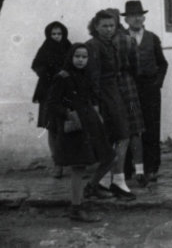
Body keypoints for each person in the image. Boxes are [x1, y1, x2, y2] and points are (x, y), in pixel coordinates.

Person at [46, 43, 115, 222]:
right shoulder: (62, 77)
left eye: (84, 57)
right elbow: (52, 104)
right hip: (75, 126)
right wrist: (68, 113)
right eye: (77, 56)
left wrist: (97, 113)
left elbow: (91, 97)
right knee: (78, 167)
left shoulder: (86, 74)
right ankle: (76, 208)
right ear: (71, 57)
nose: (81, 60)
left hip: (90, 122)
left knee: (108, 156)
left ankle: (91, 187)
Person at [86, 10, 136, 200]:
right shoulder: (93, 46)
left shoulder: (110, 44)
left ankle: (106, 181)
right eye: (104, 26)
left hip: (115, 92)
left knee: (121, 137)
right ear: (96, 27)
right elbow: (93, 77)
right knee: (121, 136)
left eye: (111, 25)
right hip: (104, 96)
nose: (108, 29)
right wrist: (96, 105)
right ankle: (111, 182)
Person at [122, 0, 168, 182]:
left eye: (139, 16)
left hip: (150, 89)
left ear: (144, 17)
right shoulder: (121, 37)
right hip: (129, 90)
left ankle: (151, 168)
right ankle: (128, 169)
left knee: (151, 126)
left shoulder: (152, 38)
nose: (136, 19)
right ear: (126, 20)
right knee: (129, 128)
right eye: (132, 16)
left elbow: (162, 64)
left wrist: (157, 83)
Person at [106, 8, 148, 188]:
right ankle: (139, 170)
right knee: (134, 129)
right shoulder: (127, 40)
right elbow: (137, 66)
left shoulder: (101, 42)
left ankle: (115, 173)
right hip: (128, 87)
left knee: (115, 131)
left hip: (109, 87)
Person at [31, 21, 72, 178]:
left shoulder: (69, 47)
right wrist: (53, 74)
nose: (56, 37)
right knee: (53, 129)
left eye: (59, 34)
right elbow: (36, 66)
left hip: (66, 93)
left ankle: (69, 161)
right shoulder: (45, 49)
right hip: (48, 93)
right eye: (53, 34)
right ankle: (57, 164)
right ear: (49, 35)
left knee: (68, 127)